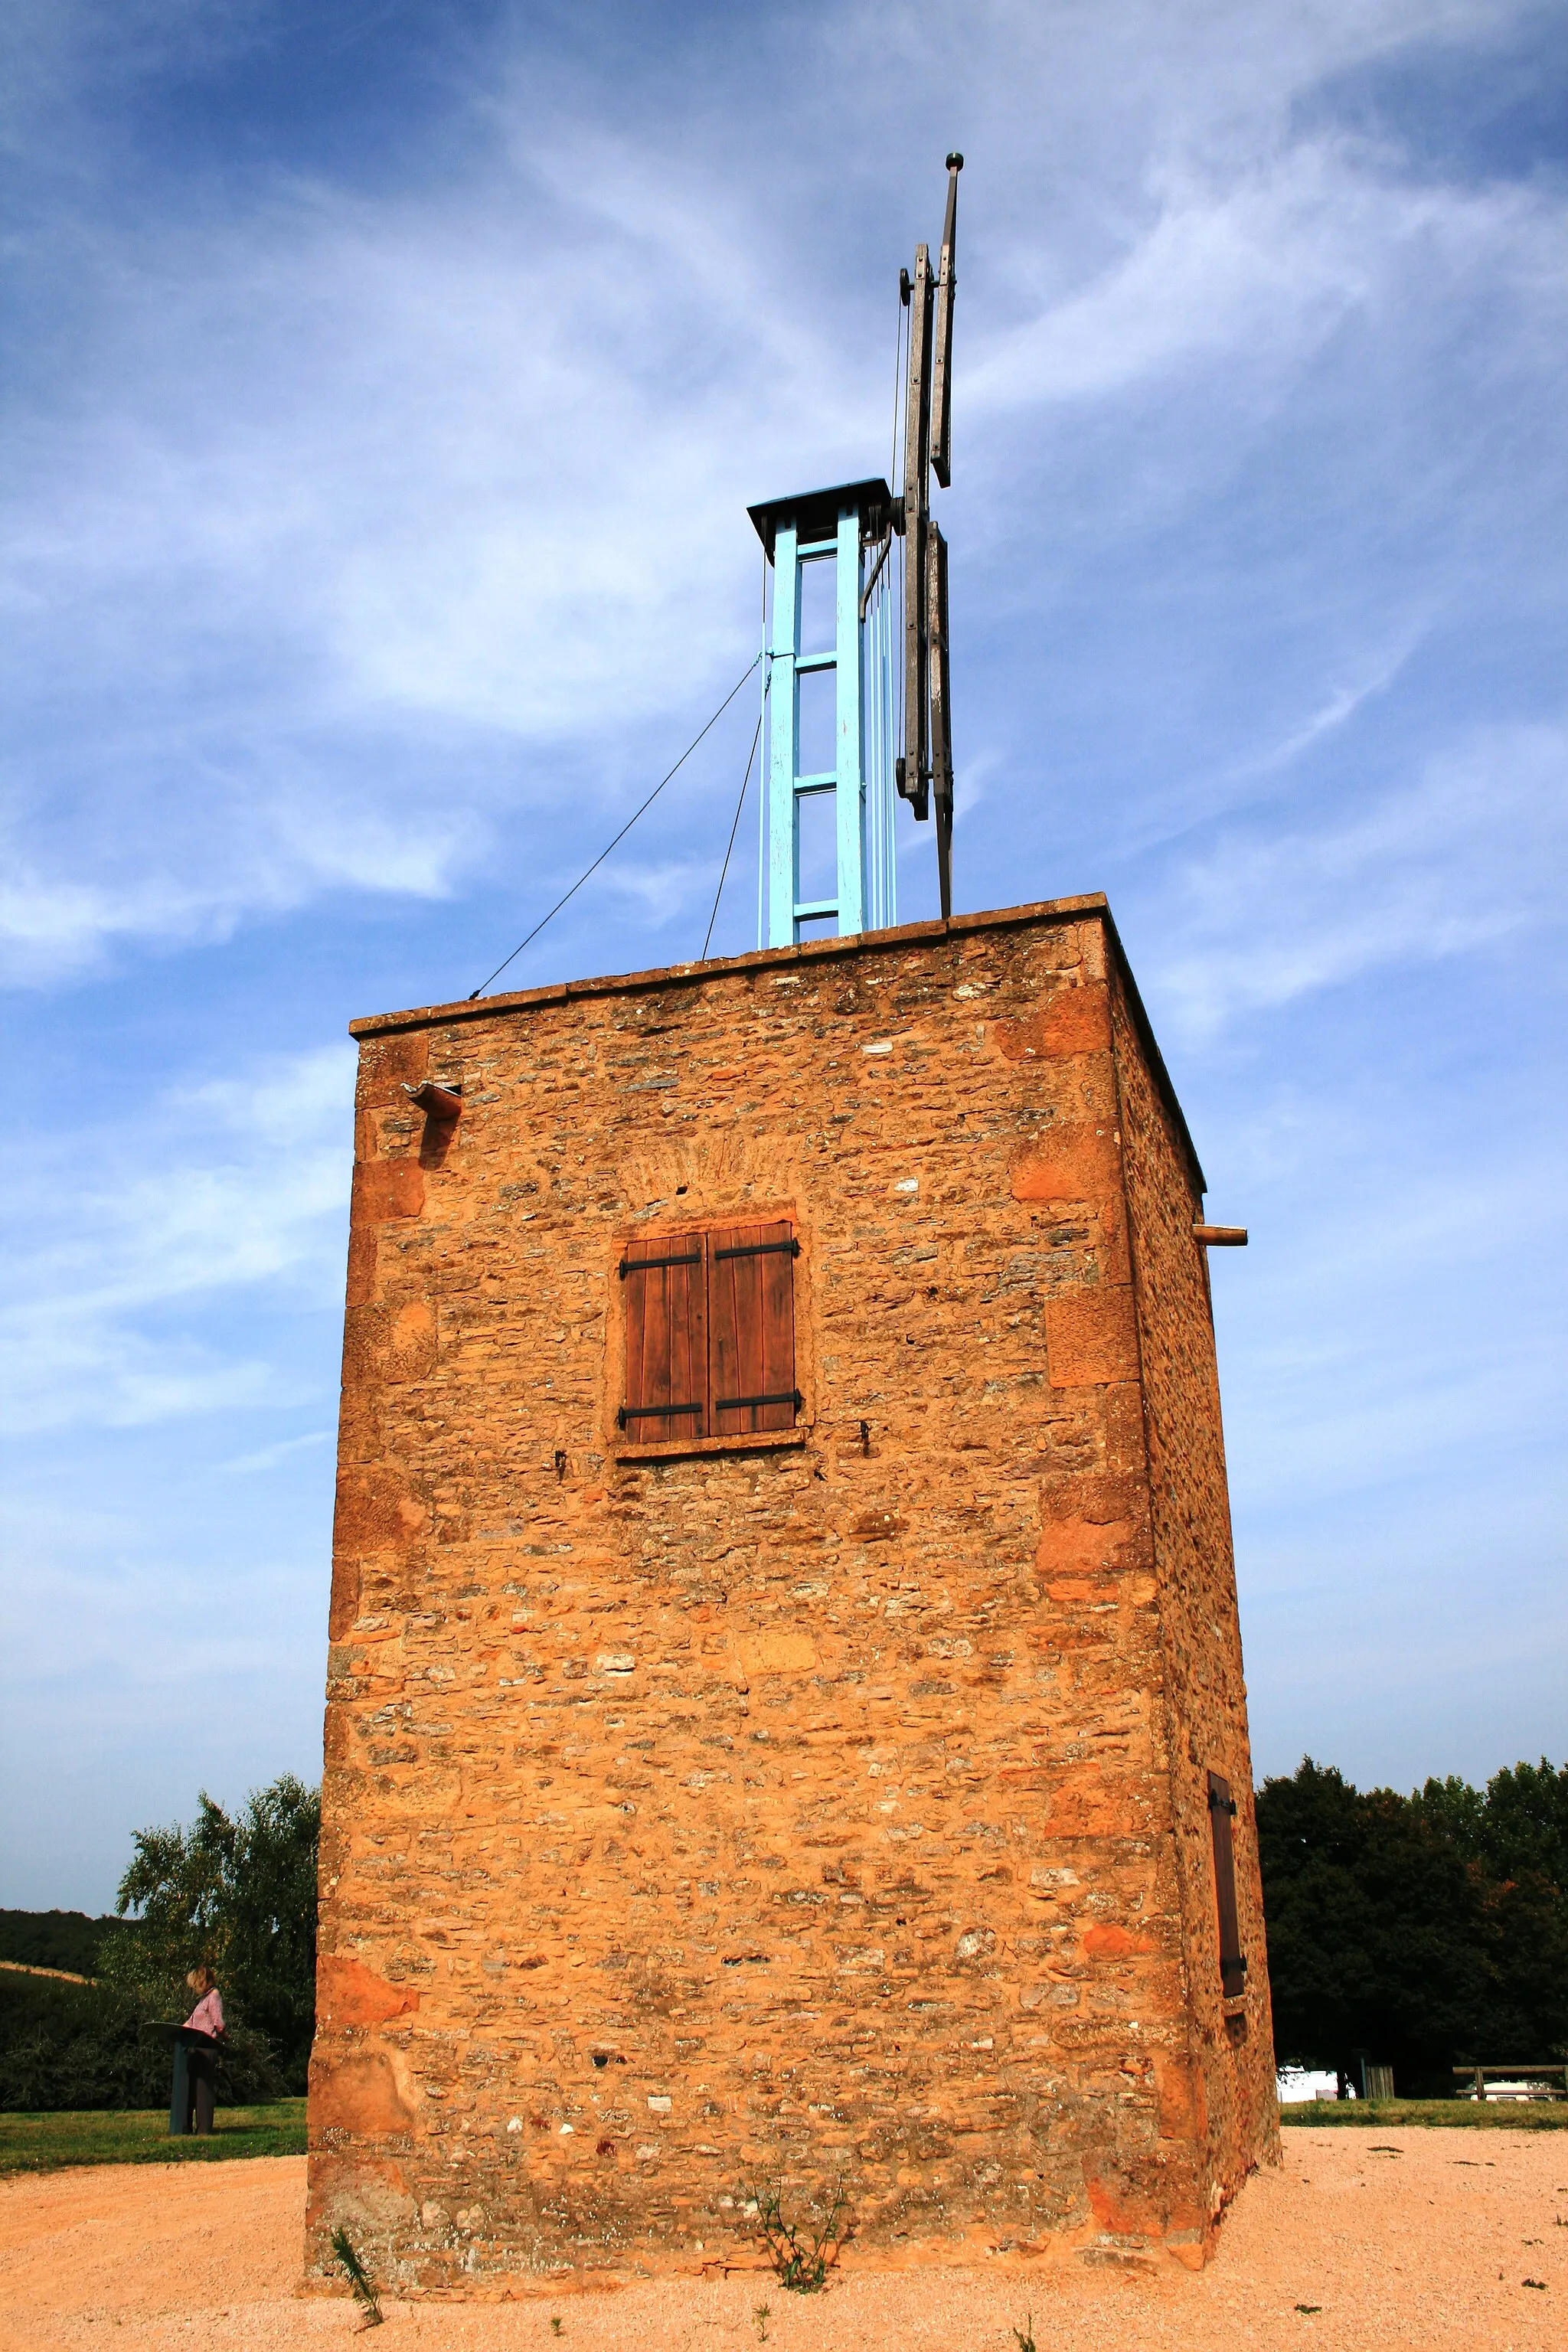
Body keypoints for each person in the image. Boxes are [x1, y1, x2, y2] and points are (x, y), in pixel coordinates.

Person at [180, 1965, 225, 2135]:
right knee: (191, 2089)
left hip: (207, 2047)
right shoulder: (203, 1999)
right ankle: (185, 2128)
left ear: (204, 1980)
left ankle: (204, 2130)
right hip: (195, 2047)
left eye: (196, 1984)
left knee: (203, 2090)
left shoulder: (214, 1997)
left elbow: (219, 2024)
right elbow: (191, 2022)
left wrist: (224, 2037)